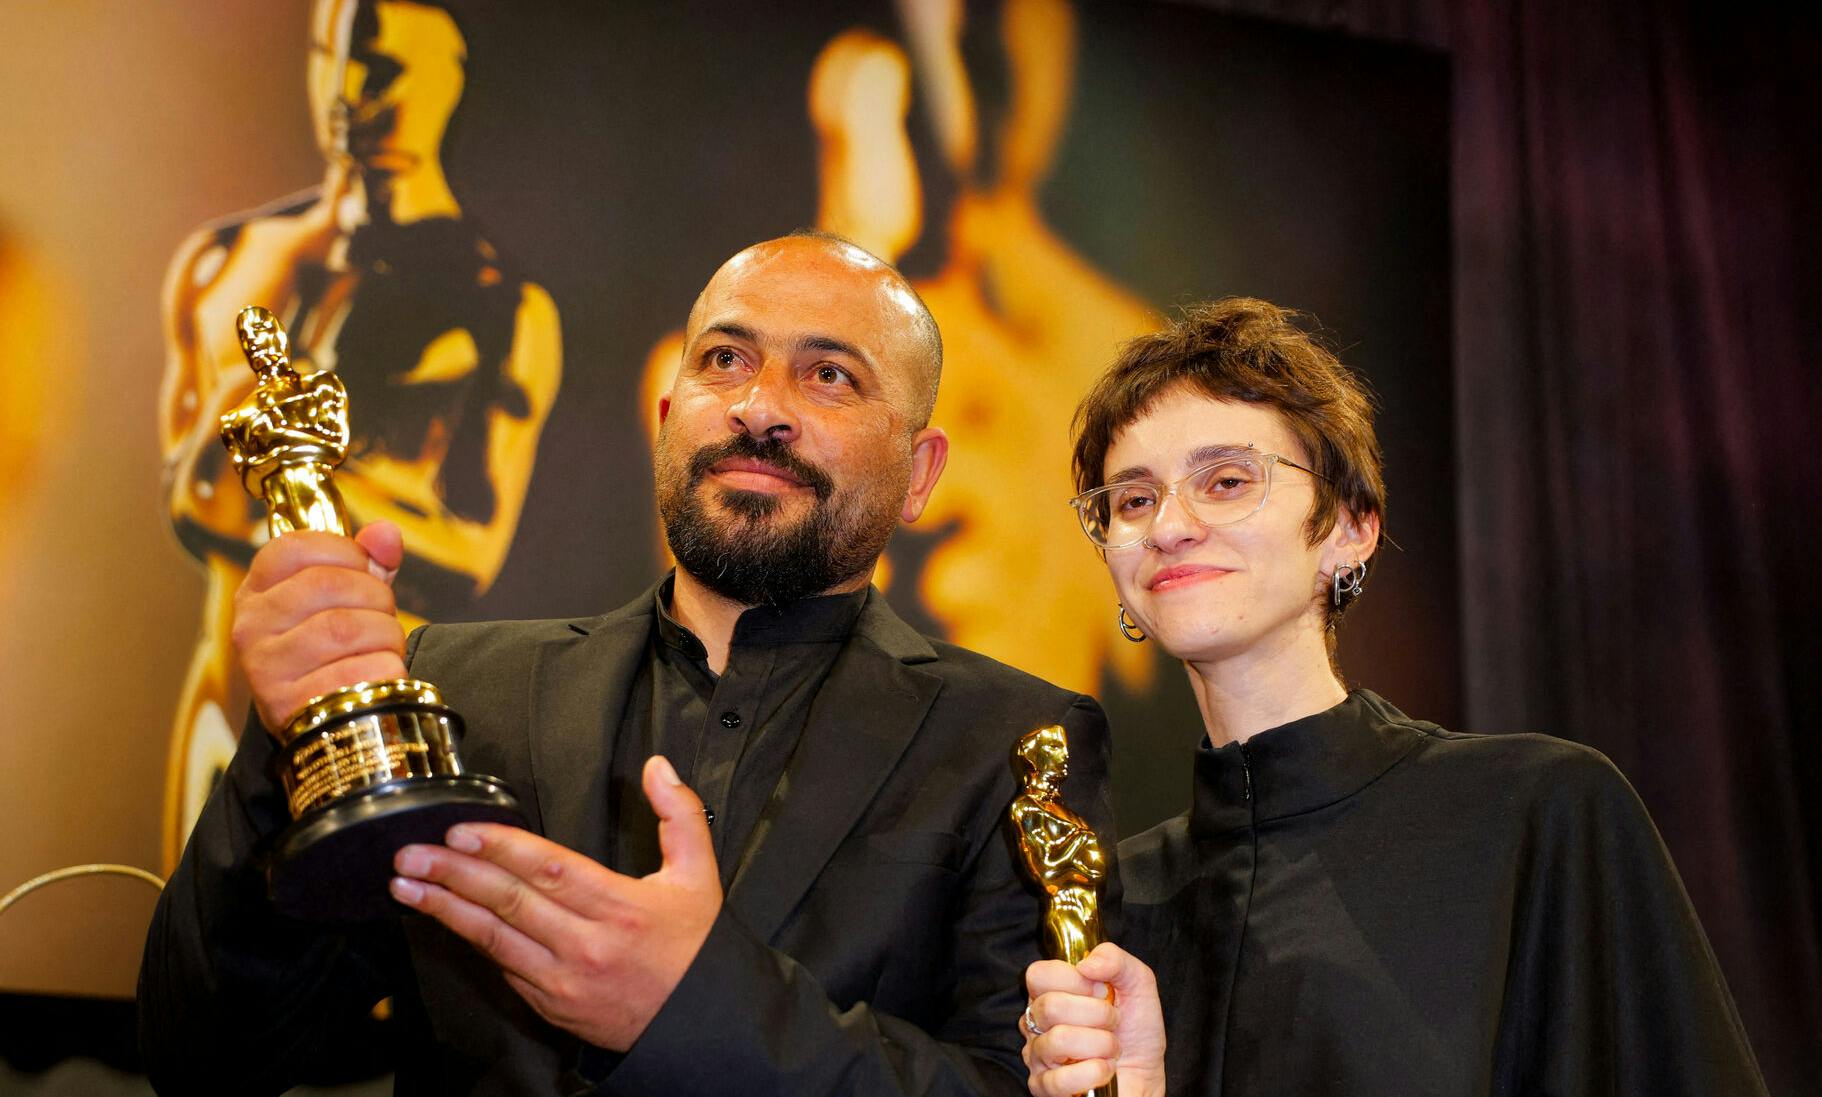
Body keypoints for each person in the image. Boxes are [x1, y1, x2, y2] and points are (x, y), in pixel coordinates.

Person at [139, 232, 1116, 1095]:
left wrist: (698, 1009)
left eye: (830, 375)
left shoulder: (1017, 743)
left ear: (921, 471)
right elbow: (209, 1054)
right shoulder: (453, 686)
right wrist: (286, 745)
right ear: (665, 415)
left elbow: (1024, 1084)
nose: (760, 407)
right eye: (725, 358)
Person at [1018, 299, 1768, 1096]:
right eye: (1133, 500)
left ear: (1350, 525)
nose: (1170, 525)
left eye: (1227, 480)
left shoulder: (1538, 815)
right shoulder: (1115, 904)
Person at [157, 0, 562, 861]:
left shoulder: (502, 311)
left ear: (450, 79)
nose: (346, 92)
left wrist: (301, 479)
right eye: (327, 55)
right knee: (181, 965)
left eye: (380, 68)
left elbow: (472, 551)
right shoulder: (228, 261)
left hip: (366, 739)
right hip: (216, 707)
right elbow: (193, 495)